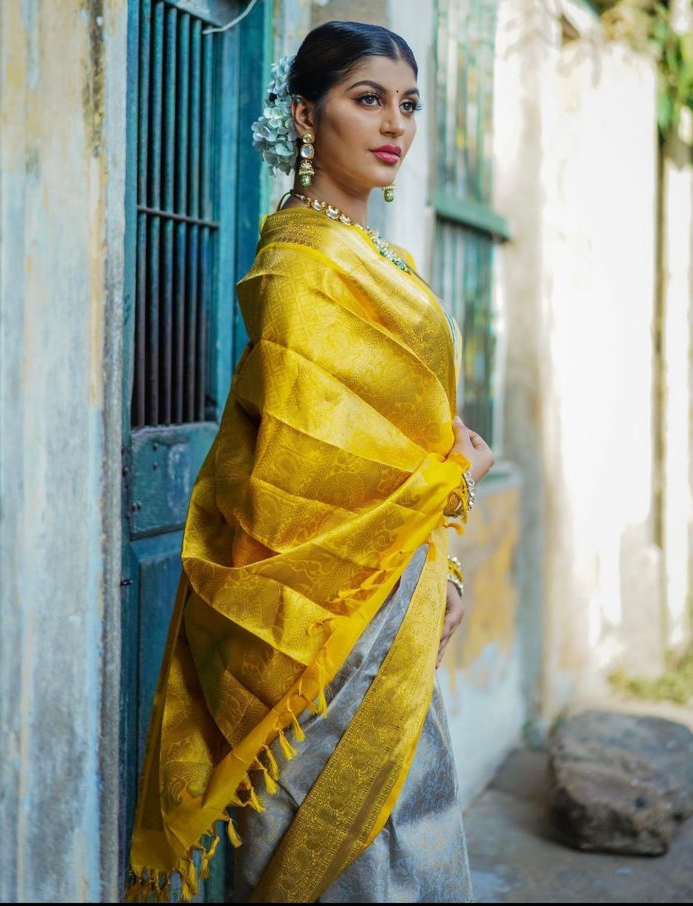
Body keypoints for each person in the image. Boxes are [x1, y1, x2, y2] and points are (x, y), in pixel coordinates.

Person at [126, 19, 495, 905]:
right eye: (365, 100)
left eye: (406, 104)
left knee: (405, 826)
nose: (393, 125)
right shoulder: (300, 265)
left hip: (393, 588)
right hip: (321, 613)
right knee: (352, 846)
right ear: (304, 116)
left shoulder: (381, 258)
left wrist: (439, 523)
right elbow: (307, 464)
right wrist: (453, 477)